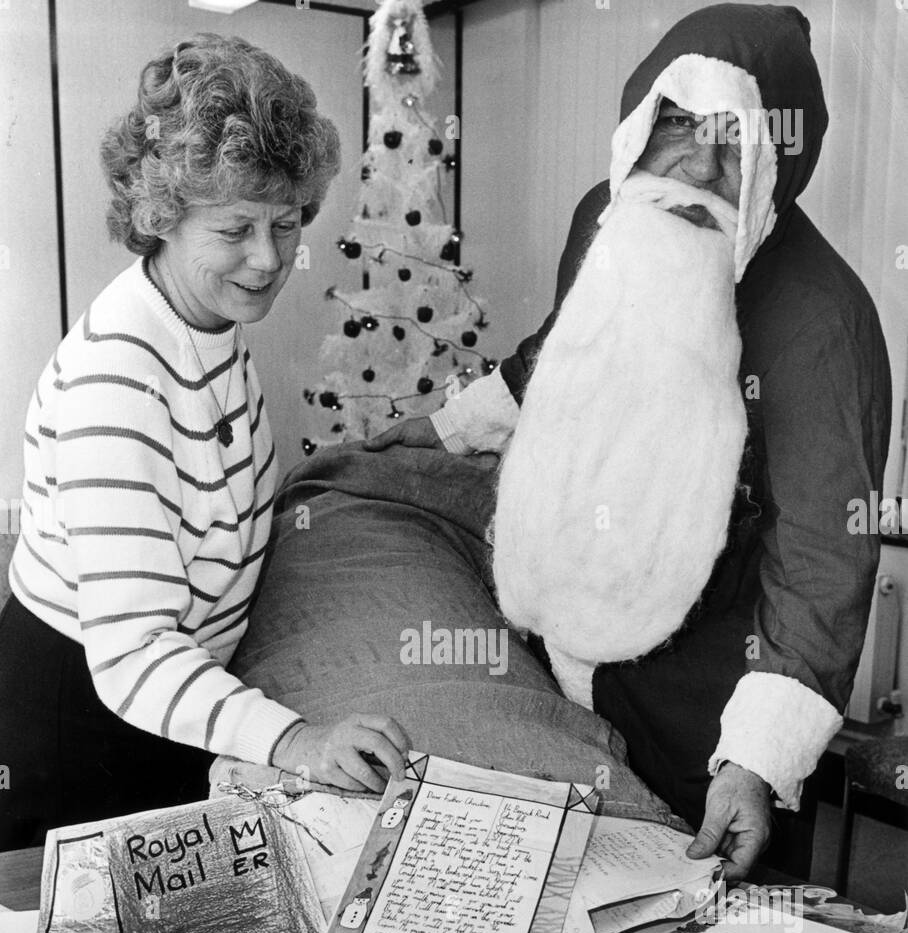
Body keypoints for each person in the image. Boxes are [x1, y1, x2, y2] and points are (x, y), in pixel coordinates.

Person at [366, 3, 891, 882]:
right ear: (641, 121)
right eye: (677, 127)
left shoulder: (822, 321)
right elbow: (562, 352)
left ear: (774, 163)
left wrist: (755, 763)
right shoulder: (603, 217)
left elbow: (822, 558)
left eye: (734, 143)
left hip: (705, 727)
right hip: (556, 670)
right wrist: (444, 429)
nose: (696, 167)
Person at [0, 34, 408, 851]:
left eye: (286, 223)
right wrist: (295, 742)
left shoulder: (209, 323)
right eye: (235, 230)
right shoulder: (118, 377)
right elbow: (134, 654)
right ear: (162, 218)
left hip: (173, 707)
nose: (269, 258)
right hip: (78, 723)